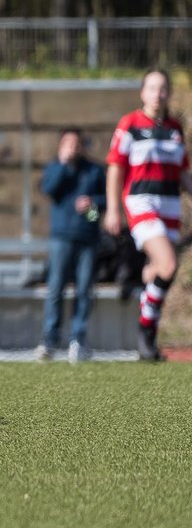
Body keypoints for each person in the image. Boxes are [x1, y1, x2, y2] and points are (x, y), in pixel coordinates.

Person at [104, 68, 192, 362]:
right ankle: (145, 331)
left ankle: (147, 343)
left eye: (163, 88)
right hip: (141, 204)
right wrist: (114, 208)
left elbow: (182, 173)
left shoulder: (174, 128)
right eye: (152, 88)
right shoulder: (129, 124)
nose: (158, 93)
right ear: (143, 92)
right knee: (168, 264)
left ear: (168, 93)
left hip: (169, 207)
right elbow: (116, 167)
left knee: (155, 271)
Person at [36, 127, 106, 363]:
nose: (73, 148)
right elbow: (49, 191)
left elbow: (103, 207)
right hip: (60, 238)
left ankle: (78, 340)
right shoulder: (54, 168)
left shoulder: (95, 170)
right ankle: (50, 340)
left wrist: (93, 205)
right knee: (56, 289)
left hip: (88, 237)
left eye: (77, 144)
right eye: (68, 144)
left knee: (84, 290)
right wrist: (64, 166)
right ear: (61, 146)